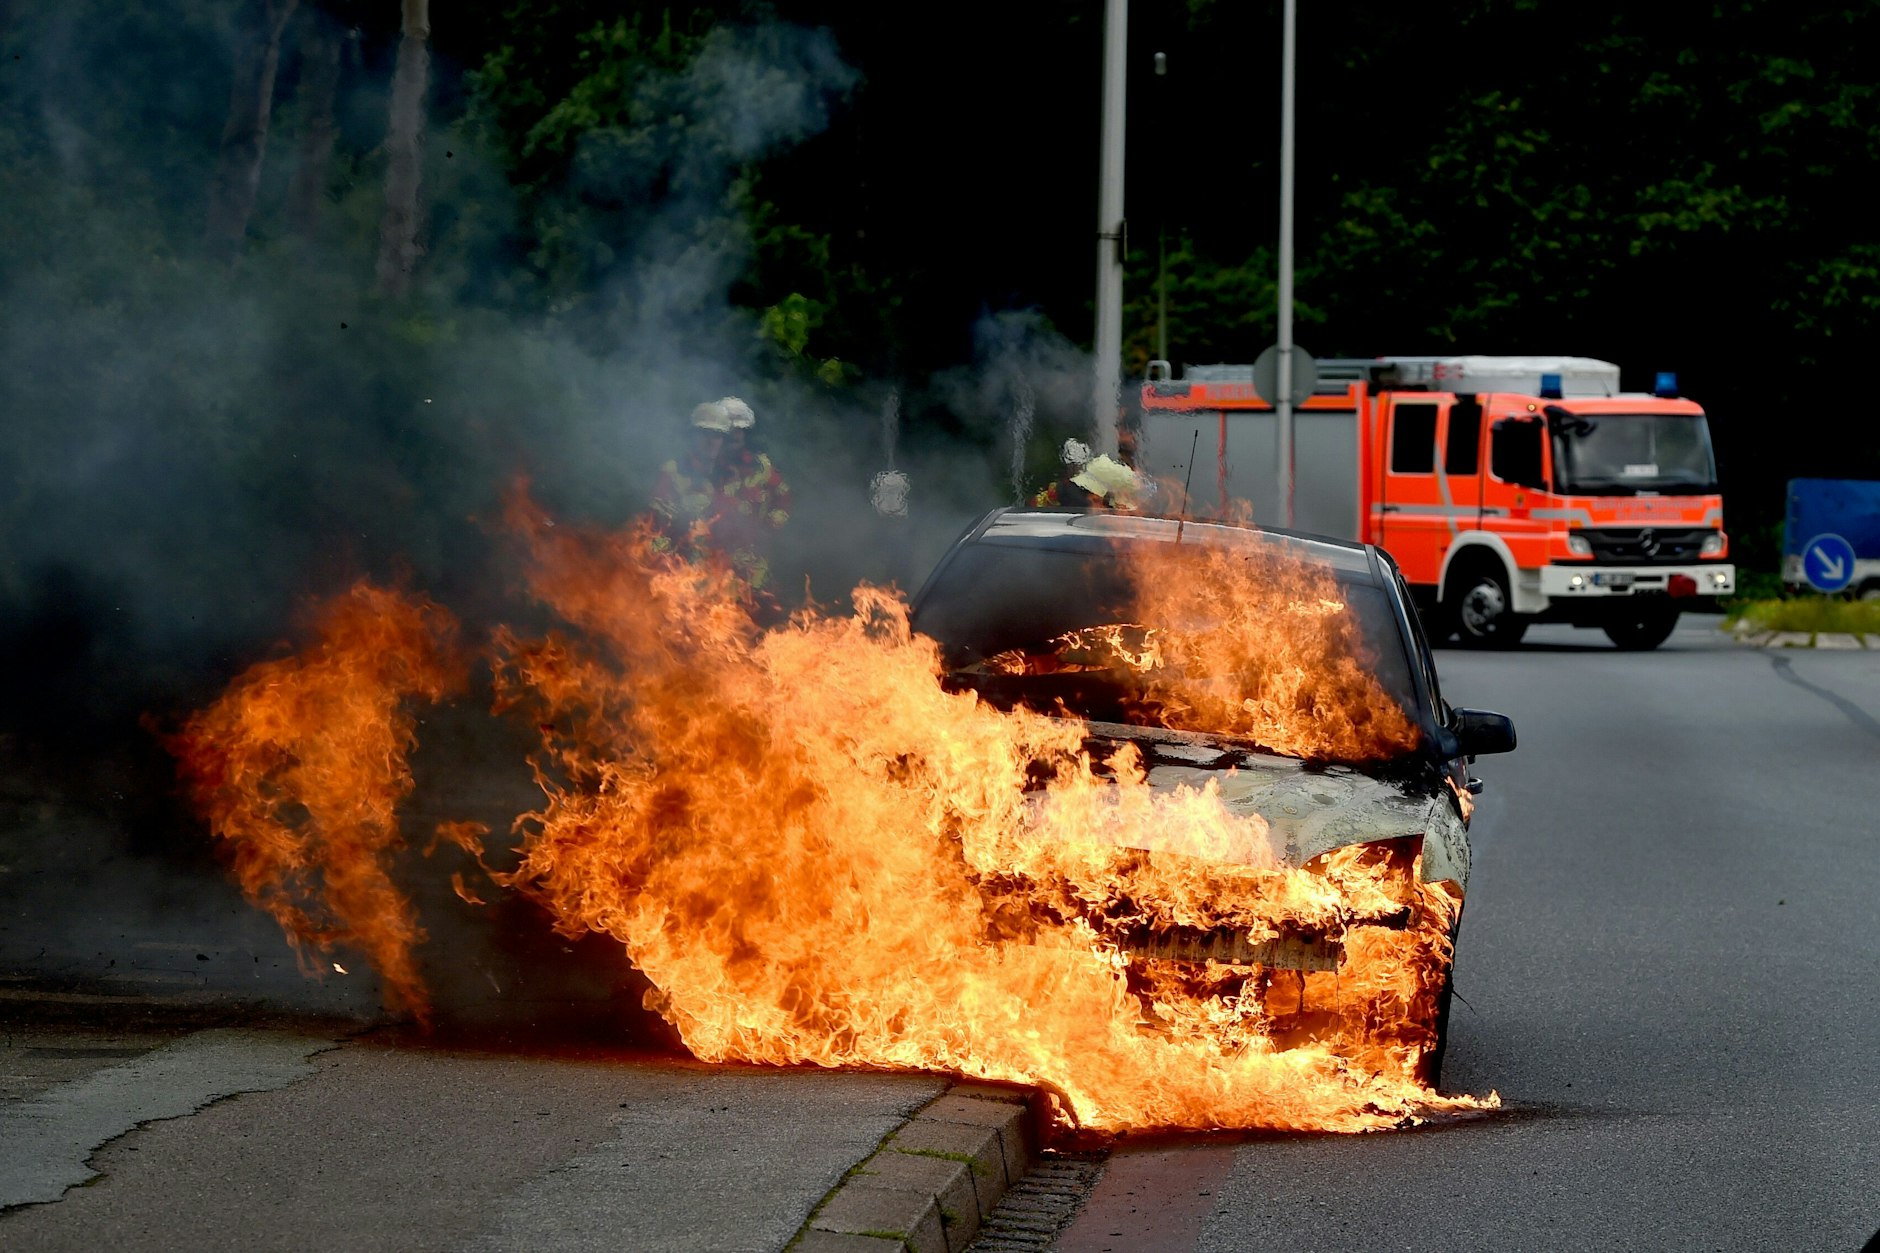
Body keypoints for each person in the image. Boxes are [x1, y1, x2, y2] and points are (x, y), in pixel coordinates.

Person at [649, 396, 792, 600]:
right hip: (691, 579)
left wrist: (768, 528)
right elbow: (657, 528)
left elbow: (777, 500)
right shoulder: (674, 472)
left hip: (742, 576)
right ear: (692, 435)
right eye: (704, 434)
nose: (711, 442)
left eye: (717, 436)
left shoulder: (738, 472)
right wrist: (663, 568)